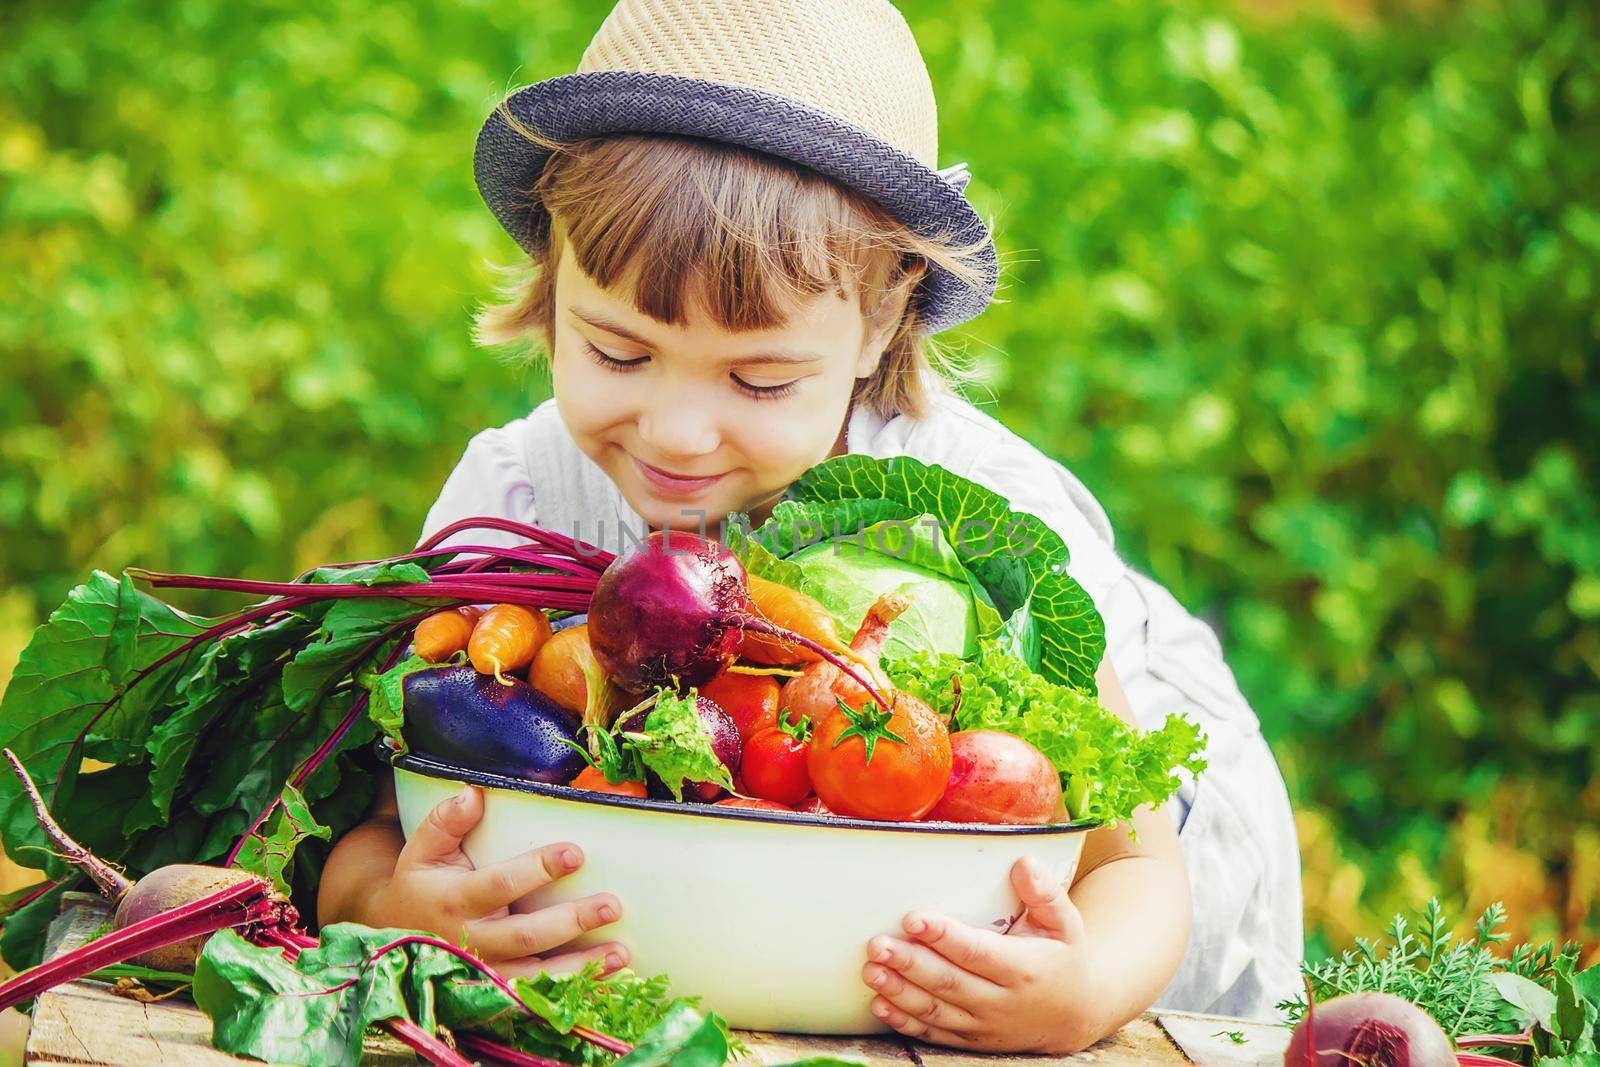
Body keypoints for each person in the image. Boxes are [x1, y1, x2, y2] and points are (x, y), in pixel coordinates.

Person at [318, 0, 1303, 1048]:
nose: (678, 431)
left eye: (758, 376)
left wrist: (1086, 985)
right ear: (555, 280)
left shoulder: (970, 515)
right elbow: (370, 830)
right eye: (616, 353)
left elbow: (1137, 868)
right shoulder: (513, 505)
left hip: (1126, 911)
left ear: (881, 317)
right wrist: (384, 905)